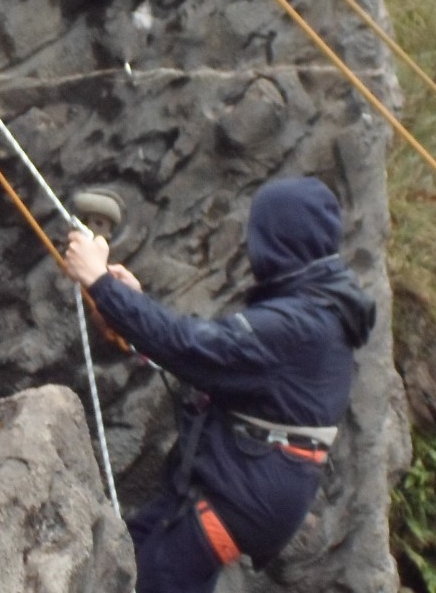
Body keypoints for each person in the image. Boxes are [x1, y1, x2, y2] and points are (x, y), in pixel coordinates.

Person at [63, 176, 376, 593]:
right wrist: (128, 303)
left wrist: (101, 284)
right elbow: (215, 353)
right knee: (135, 553)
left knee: (159, 576)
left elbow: (193, 349)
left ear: (279, 238)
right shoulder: (318, 307)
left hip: (243, 490)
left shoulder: (299, 323)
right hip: (250, 480)